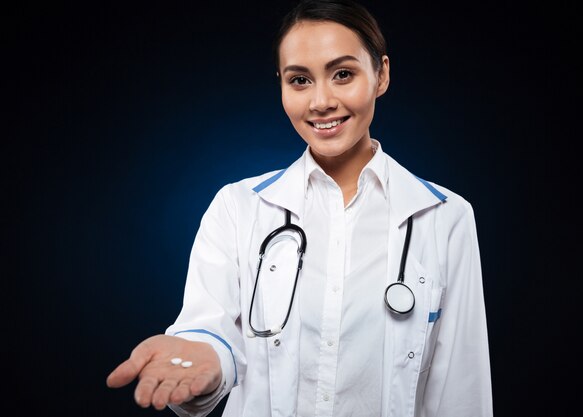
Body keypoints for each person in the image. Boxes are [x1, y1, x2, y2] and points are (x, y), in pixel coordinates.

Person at [106, 0, 493, 416]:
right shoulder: (239, 207)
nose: (321, 101)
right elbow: (209, 335)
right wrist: (207, 361)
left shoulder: (445, 217)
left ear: (381, 74)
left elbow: (461, 389)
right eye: (300, 80)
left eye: (343, 74)